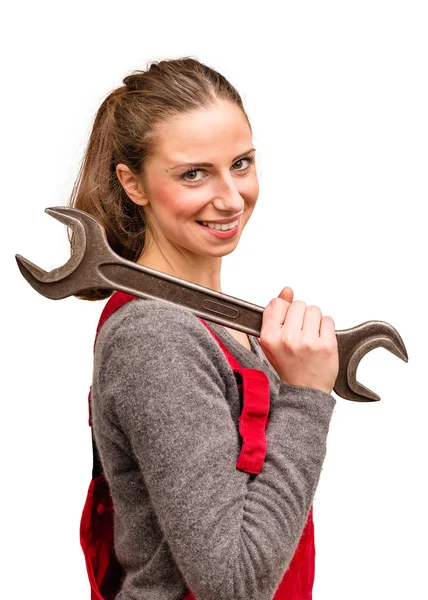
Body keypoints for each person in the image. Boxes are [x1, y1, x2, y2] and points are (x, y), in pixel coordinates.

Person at [68, 57, 339, 600]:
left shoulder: (215, 326)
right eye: (194, 173)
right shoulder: (156, 337)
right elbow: (232, 584)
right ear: (133, 183)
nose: (232, 198)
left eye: (241, 163)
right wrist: (306, 395)